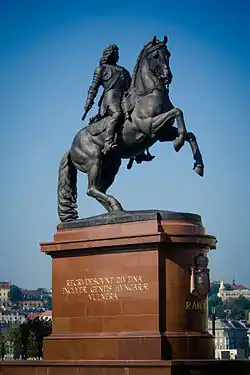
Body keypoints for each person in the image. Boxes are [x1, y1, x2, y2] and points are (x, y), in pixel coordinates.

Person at [82, 44, 131, 155]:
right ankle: (108, 142)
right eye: (115, 53)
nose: (117, 56)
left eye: (118, 54)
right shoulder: (101, 69)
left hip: (124, 98)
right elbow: (93, 88)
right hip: (110, 99)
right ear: (109, 55)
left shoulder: (123, 70)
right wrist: (88, 102)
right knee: (117, 114)